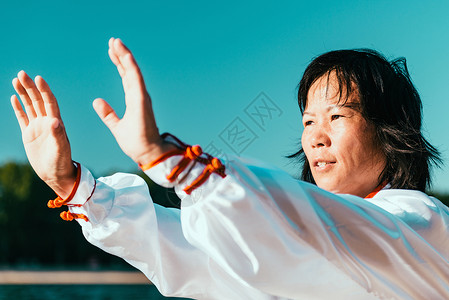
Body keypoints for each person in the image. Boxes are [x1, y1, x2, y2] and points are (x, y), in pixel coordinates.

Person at [11, 38, 449, 299]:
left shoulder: (423, 226)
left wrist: (172, 161)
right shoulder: (297, 240)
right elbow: (193, 251)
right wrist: (72, 185)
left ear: (392, 130)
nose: (316, 136)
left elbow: (335, 234)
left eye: (337, 116)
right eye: (309, 121)